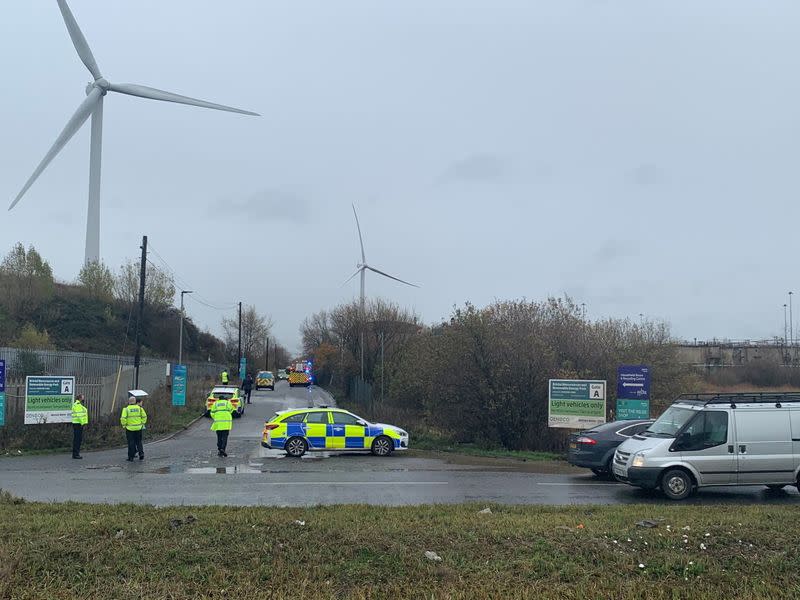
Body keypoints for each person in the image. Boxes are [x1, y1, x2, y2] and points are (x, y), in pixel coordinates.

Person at [120, 395, 147, 461]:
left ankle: (131, 457)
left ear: (129, 402)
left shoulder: (126, 409)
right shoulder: (140, 408)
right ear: (135, 402)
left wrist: (124, 425)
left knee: (131, 442)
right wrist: (142, 423)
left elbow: (123, 418)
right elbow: (144, 416)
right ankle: (141, 454)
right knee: (139, 441)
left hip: (129, 428)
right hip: (138, 428)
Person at [71, 394, 88, 459]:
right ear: (80, 398)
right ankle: (76, 454)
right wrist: (83, 423)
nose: (84, 399)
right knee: (77, 440)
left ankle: (76, 453)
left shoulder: (78, 405)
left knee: (77, 439)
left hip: (77, 423)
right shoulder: (77, 405)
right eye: (83, 397)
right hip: (78, 424)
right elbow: (79, 415)